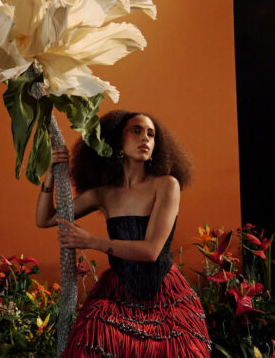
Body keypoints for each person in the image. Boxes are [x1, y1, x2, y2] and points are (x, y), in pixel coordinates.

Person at [36, 110, 211, 358]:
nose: (145, 138)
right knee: (92, 335)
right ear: (117, 140)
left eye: (151, 134)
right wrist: (50, 175)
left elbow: (151, 251)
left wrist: (90, 241)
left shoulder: (167, 185)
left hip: (164, 295)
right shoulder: (104, 194)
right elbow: (45, 219)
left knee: (181, 350)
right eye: (136, 131)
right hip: (118, 294)